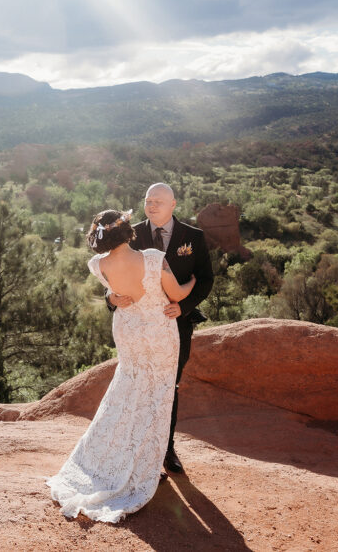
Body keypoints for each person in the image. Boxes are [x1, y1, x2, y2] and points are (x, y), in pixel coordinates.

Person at [47, 209, 196, 523]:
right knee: (156, 398)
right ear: (128, 230)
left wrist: (113, 297)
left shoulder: (96, 265)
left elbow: (113, 293)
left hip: (127, 332)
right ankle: (142, 469)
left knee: (125, 393)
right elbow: (178, 293)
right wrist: (193, 280)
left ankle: (109, 462)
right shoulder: (153, 258)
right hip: (157, 333)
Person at [107, 183, 213, 474]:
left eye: (159, 201)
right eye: (148, 200)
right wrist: (111, 297)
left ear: (173, 204)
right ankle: (135, 450)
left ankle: (165, 450)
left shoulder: (193, 237)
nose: (152, 205)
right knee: (137, 384)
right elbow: (111, 274)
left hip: (176, 324)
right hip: (138, 326)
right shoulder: (128, 234)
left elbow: (205, 279)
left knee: (169, 386)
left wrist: (185, 306)